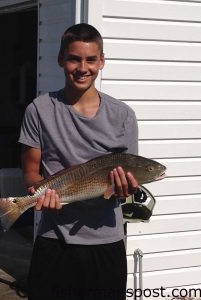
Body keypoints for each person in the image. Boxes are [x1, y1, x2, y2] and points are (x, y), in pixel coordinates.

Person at [19, 23, 138, 300]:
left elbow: (129, 183)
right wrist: (39, 193)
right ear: (61, 59)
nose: (82, 68)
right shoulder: (39, 109)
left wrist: (126, 189)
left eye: (90, 59)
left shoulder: (123, 116)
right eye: (74, 58)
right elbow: (30, 173)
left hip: (107, 241)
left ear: (102, 62)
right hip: (54, 241)